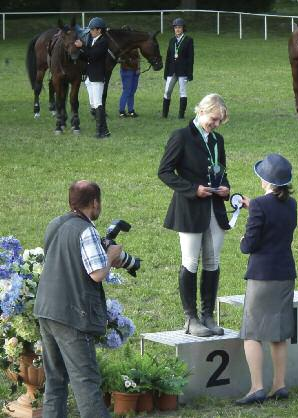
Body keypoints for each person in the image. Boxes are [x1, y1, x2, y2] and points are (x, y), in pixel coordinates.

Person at [33, 180, 123, 417]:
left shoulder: (55, 223)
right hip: (72, 314)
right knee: (86, 383)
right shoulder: (87, 230)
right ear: (94, 203)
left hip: (46, 309)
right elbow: (97, 274)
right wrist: (111, 255)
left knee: (55, 381)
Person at [158, 93, 230, 337]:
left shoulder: (217, 140)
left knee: (213, 261)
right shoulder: (181, 136)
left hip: (214, 207)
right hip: (190, 208)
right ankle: (190, 318)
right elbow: (165, 171)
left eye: (219, 121)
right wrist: (192, 189)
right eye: (213, 119)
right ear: (201, 111)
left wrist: (225, 188)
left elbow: (222, 170)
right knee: (190, 261)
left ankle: (207, 314)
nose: (216, 124)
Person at [236, 153, 297, 405]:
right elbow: (273, 213)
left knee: (252, 332)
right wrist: (255, 206)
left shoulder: (260, 205)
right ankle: (279, 385)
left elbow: (249, 245)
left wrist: (242, 240)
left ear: (265, 180)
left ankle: (257, 387)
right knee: (279, 333)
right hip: (285, 273)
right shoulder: (291, 203)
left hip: (262, 276)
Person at [74, 17, 110, 138]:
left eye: (93, 29)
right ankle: (105, 131)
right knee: (93, 103)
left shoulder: (103, 41)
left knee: (98, 103)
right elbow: (86, 56)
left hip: (98, 75)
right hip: (90, 76)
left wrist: (81, 47)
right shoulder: (92, 40)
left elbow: (93, 55)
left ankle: (100, 131)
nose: (91, 31)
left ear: (99, 30)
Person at [162, 17, 194, 119]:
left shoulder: (188, 40)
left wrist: (189, 73)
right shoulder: (172, 40)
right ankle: (164, 114)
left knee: (182, 92)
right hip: (172, 70)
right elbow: (168, 57)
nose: (178, 29)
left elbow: (191, 58)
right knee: (167, 91)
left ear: (183, 28)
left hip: (183, 70)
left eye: (180, 27)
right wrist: (166, 72)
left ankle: (181, 115)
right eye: (176, 27)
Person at [119, 26, 140, 118]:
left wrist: (138, 68)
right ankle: (122, 111)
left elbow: (138, 57)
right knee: (127, 90)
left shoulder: (133, 44)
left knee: (132, 91)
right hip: (127, 70)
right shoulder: (122, 45)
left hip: (134, 70)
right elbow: (121, 59)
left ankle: (131, 110)